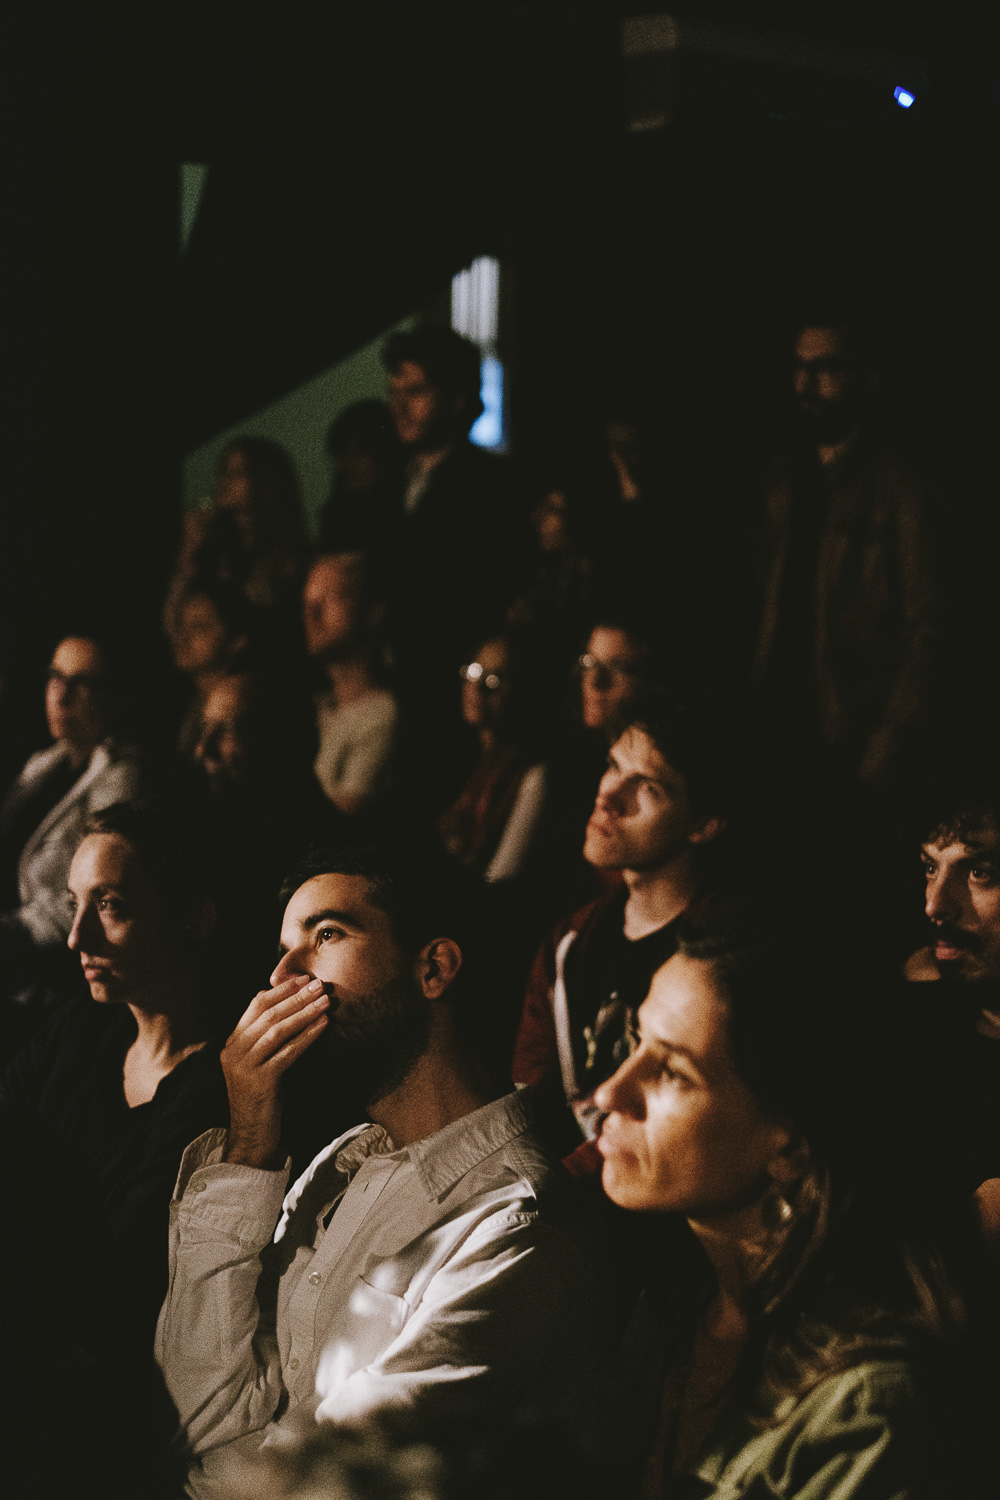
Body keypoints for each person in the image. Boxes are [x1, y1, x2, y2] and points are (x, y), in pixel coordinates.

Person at [155, 842, 606, 1498]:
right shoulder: (342, 1166)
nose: (281, 977)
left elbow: (327, 1481)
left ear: (433, 968)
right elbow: (200, 1416)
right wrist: (249, 1146)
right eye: (282, 949)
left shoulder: (517, 1225)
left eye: (326, 935)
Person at [594, 904, 994, 1496]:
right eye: (636, 1040)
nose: (611, 1091)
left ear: (790, 1146)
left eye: (674, 1072)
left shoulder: (872, 1410)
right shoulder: (657, 1303)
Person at [0, 800, 229, 1330]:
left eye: (110, 906)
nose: (76, 937)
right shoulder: (78, 1029)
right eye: (74, 904)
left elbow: (115, 1264)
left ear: (193, 919)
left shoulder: (214, 1089)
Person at [513, 694, 730, 1148]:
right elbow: (530, 1103)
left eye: (648, 787)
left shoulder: (720, 957)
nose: (608, 795)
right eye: (613, 766)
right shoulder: (568, 943)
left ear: (704, 824)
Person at [750, 319, 941, 787]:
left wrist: (881, 753)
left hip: (846, 748)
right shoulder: (780, 478)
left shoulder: (902, 488)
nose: (804, 384)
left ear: (868, 378)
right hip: (766, 729)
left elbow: (931, 630)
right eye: (799, 366)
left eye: (826, 368)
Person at [0, 634, 142, 965]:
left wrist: (12, 934)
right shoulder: (43, 764)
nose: (61, 696)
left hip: (47, 966)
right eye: (55, 677)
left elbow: (98, 898)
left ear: (119, 698)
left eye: (83, 684)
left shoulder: (125, 780)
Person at [437, 633, 548, 883]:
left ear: (522, 688)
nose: (477, 687)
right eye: (474, 671)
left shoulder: (533, 775)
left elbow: (501, 879)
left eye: (494, 679)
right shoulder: (457, 756)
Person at [303, 552, 398, 816]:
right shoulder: (315, 706)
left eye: (330, 599)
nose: (311, 614)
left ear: (373, 612)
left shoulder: (381, 714)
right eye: (307, 603)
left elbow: (346, 816)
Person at [316, 399, 404, 555]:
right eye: (342, 453)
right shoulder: (336, 520)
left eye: (361, 451)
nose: (348, 463)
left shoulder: (411, 509)